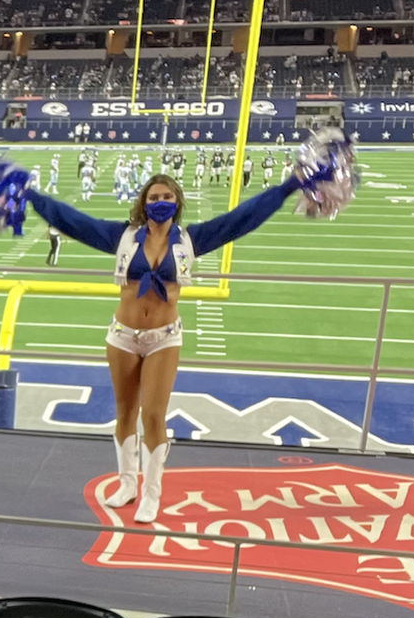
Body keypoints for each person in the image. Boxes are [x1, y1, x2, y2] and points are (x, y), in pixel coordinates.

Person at [27, 169, 312, 522]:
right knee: (125, 413)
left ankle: (151, 494)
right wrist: (31, 195)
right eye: (154, 197)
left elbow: (242, 219)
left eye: (167, 197)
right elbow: (72, 220)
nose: (160, 203)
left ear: (177, 203)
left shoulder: (193, 239)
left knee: (153, 416)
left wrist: (287, 187)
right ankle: (127, 483)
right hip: (122, 335)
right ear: (142, 203)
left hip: (164, 338)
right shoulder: (123, 237)